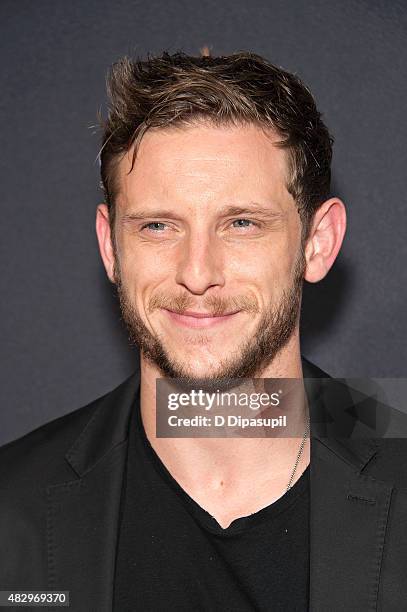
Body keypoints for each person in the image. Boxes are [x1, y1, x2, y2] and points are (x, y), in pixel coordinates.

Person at [0, 50, 406, 612]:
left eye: (241, 224)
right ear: (110, 246)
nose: (197, 274)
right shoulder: (11, 503)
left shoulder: (394, 444)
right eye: (158, 226)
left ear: (318, 243)